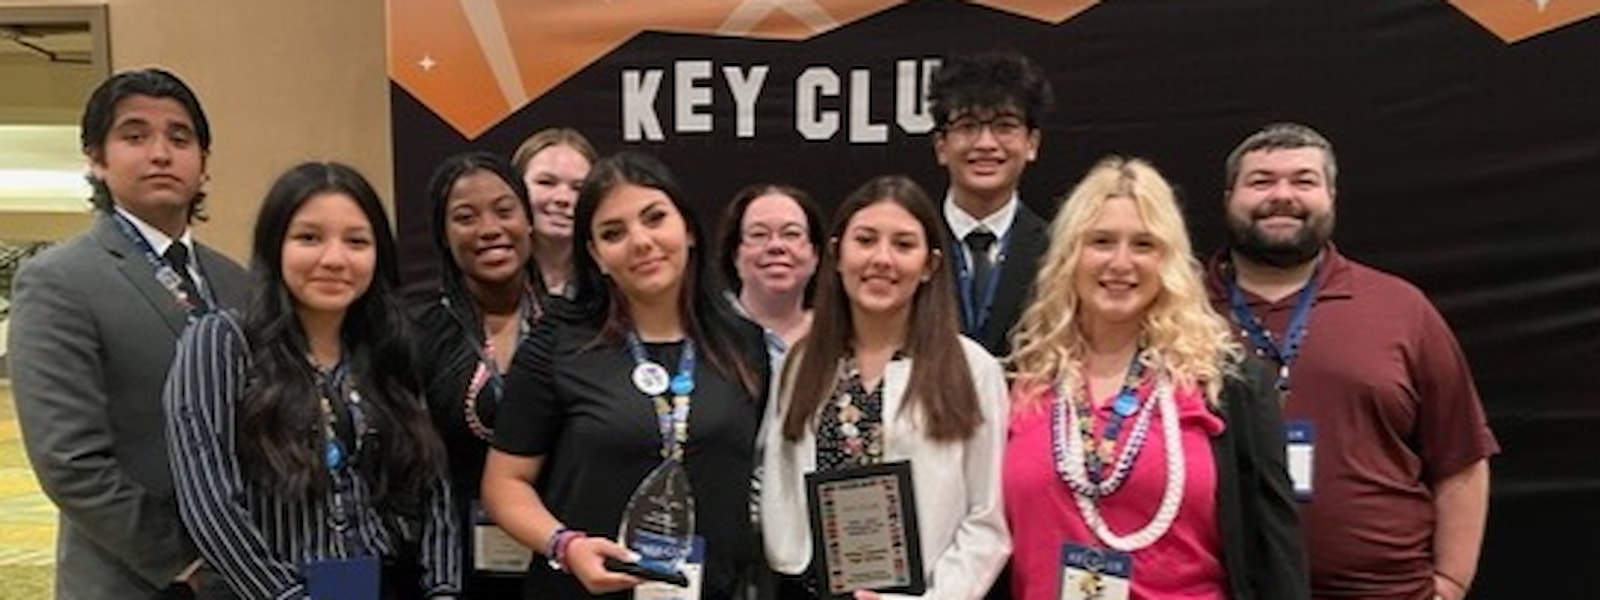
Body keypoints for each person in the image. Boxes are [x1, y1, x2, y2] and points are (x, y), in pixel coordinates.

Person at [1206, 123, 1497, 600]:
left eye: (1303, 181)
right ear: (1228, 197)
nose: (1282, 195)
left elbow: (1461, 456)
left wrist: (1451, 583)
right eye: (1261, 181)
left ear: (1332, 196)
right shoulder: (1176, 309)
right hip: (1223, 587)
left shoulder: (1400, 308)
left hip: (1384, 590)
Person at [1004, 157, 1307, 600]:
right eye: (1101, 241)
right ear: (1070, 254)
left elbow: (1275, 550)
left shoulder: (1227, 383)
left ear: (1168, 260)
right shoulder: (1020, 379)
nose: (1121, 262)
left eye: (1143, 244)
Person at [163, 162, 461, 599]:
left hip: (377, 584)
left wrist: (444, 589)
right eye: (309, 238)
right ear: (275, 246)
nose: (335, 259)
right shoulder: (222, 340)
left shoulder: (387, 349)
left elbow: (434, 487)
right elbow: (208, 503)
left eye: (357, 241)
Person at [7, 67, 250, 599]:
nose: (160, 153)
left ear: (203, 165)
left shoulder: (239, 283)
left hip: (252, 572)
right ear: (97, 159)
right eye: (135, 136)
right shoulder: (60, 281)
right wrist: (185, 561)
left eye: (179, 138)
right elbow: (69, 460)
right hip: (137, 580)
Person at [482, 151, 770, 599]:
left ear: (689, 229)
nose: (640, 241)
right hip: (582, 590)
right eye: (613, 233)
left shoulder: (744, 344)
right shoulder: (559, 343)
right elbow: (504, 484)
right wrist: (565, 545)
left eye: (654, 218)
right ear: (596, 255)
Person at [761, 175, 1011, 600]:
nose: (882, 259)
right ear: (838, 254)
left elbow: (986, 518)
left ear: (930, 265)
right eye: (865, 240)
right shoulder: (802, 362)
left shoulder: (972, 370)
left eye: (903, 245)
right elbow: (777, 482)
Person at [411, 152, 545, 597]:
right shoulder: (416, 334)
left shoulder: (573, 329)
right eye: (465, 217)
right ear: (444, 236)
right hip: (450, 565)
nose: (489, 229)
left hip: (558, 557)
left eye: (505, 211)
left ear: (529, 221)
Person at [928, 50, 1055, 357]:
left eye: (1005, 126)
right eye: (968, 126)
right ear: (941, 147)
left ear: (1032, 143)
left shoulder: (1059, 250)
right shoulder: (911, 243)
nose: (985, 143)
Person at [716, 183, 825, 358]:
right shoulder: (706, 333)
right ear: (735, 255)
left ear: (815, 256)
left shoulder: (837, 339)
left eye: (791, 234)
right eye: (759, 234)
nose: (776, 246)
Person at [511, 127, 598, 298]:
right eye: (546, 183)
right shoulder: (487, 279)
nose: (563, 198)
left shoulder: (615, 285)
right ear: (515, 188)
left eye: (578, 188)